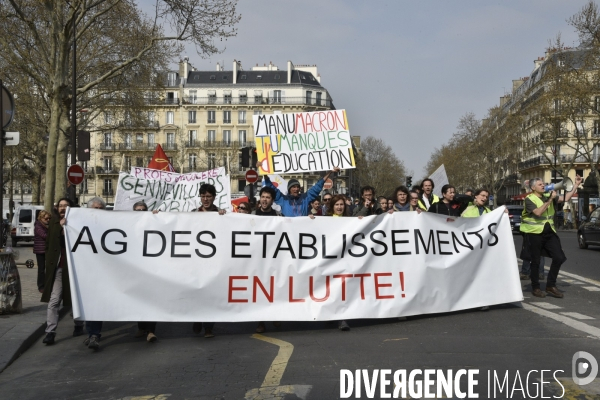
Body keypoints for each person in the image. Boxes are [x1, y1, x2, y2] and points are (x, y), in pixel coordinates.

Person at [520, 175, 582, 298]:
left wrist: (576, 184)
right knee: (535, 261)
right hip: (534, 233)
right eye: (540, 184)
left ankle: (550, 285)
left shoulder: (549, 196)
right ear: (533, 188)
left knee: (559, 257)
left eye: (543, 184)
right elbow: (538, 213)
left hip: (549, 232)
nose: (543, 185)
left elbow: (567, 197)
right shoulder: (529, 199)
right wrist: (549, 201)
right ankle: (536, 287)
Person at [41, 198, 85, 345]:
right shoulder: (54, 223)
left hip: (76, 268)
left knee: (76, 299)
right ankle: (50, 332)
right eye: (60, 206)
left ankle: (79, 325)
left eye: (66, 205)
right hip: (59, 268)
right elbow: (48, 245)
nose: (62, 208)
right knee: (54, 300)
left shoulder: (79, 222)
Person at [310, 194, 351, 331]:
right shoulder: (325, 220)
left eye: (341, 205)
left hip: (344, 259)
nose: (339, 207)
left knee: (342, 289)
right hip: (329, 260)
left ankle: (342, 319)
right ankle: (330, 315)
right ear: (332, 207)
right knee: (330, 288)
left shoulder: (351, 221)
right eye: (337, 205)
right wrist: (310, 219)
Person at [192, 183, 225, 338]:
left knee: (210, 294)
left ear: (214, 197)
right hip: (197, 261)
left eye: (208, 196)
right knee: (198, 293)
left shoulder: (220, 214)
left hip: (213, 262)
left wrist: (225, 217)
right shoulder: (193, 214)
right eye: (203, 196)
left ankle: (208, 328)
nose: (205, 199)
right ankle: (197, 319)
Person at [251, 186, 282, 333]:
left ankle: (275, 313)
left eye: (268, 197)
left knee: (273, 288)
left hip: (273, 258)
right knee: (259, 291)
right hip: (257, 260)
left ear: (272, 200)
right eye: (263, 197)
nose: (264, 200)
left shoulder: (278, 216)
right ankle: (261, 321)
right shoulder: (252, 215)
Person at [261, 164, 340, 217]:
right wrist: (264, 172)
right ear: (289, 189)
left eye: (298, 187)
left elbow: (318, 186)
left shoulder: (305, 198)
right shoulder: (283, 199)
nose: (296, 189)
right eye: (293, 187)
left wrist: (330, 172)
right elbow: (272, 187)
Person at [131, 201, 159, 342]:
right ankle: (141, 327)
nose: (140, 212)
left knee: (151, 299)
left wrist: (157, 217)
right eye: (137, 210)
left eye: (143, 210)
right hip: (135, 269)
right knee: (139, 299)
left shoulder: (152, 223)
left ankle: (150, 331)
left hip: (151, 268)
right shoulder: (128, 225)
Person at [34, 210, 51, 293]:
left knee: (48, 268)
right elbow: (44, 235)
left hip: (46, 249)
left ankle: (47, 284)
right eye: (46, 218)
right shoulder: (38, 226)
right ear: (41, 218)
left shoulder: (46, 225)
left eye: (49, 218)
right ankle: (41, 286)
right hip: (40, 250)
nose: (48, 220)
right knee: (41, 269)